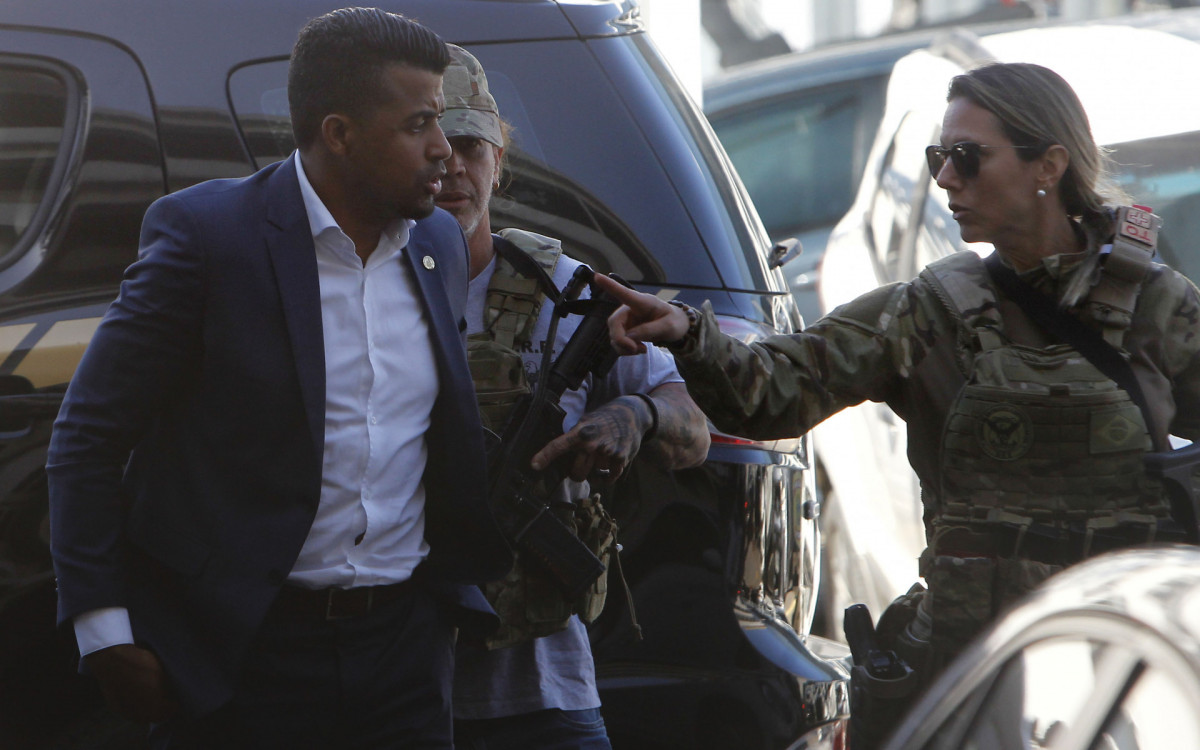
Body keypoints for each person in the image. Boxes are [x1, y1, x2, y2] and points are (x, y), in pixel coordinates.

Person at [595, 58, 1200, 702]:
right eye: (940, 156)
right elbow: (772, 392)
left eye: (967, 157)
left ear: (1048, 165)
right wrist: (689, 332)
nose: (944, 178)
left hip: (1131, 663)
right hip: (979, 676)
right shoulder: (930, 311)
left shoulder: (1156, 305)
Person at [46, 8, 511, 748]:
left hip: (404, 653)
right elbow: (88, 437)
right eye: (420, 123)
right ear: (339, 134)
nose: (443, 151)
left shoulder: (437, 245)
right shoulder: (209, 238)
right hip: (244, 653)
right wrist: (104, 632)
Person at [434, 45, 710, 750]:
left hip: (544, 691)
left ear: (499, 159)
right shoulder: (361, 287)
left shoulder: (562, 292)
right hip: (405, 690)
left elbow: (693, 430)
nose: (453, 167)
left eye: (471, 146)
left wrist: (635, 414)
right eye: (433, 145)